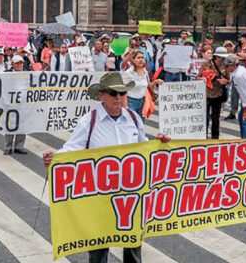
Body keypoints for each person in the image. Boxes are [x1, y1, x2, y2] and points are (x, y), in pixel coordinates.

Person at [42, 72, 170, 263]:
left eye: (122, 93)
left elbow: (144, 149)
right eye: (113, 93)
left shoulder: (134, 119)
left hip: (130, 195)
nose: (118, 98)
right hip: (100, 197)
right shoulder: (89, 121)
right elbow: (71, 149)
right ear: (101, 95)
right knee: (99, 249)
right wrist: (54, 157)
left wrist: (161, 144)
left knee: (133, 244)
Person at [197, 47, 230, 139]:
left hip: (219, 94)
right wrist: (203, 79)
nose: (222, 59)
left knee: (216, 118)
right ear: (216, 56)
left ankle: (215, 138)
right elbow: (198, 77)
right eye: (220, 57)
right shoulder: (207, 65)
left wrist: (225, 81)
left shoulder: (225, 65)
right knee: (205, 117)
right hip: (207, 94)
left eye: (223, 57)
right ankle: (204, 136)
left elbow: (230, 79)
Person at [123, 50, 162, 120]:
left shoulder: (145, 71)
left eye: (142, 58)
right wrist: (126, 106)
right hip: (131, 102)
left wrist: (156, 82)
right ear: (133, 60)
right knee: (131, 123)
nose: (141, 60)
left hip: (143, 101)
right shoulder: (128, 73)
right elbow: (124, 91)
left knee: (141, 123)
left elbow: (148, 85)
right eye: (138, 58)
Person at [4, 55, 27, 155]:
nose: (20, 65)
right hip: (11, 103)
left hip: (24, 103)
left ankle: (19, 146)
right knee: (10, 125)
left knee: (22, 125)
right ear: (12, 64)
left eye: (21, 63)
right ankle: (8, 146)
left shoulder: (28, 73)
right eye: (17, 63)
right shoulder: (7, 74)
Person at [225, 33, 246, 121]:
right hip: (235, 71)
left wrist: (239, 56)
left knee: (244, 94)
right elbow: (233, 56)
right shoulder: (237, 47)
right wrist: (242, 57)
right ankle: (233, 111)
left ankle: (243, 111)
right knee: (234, 93)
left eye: (243, 38)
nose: (241, 39)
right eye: (241, 38)